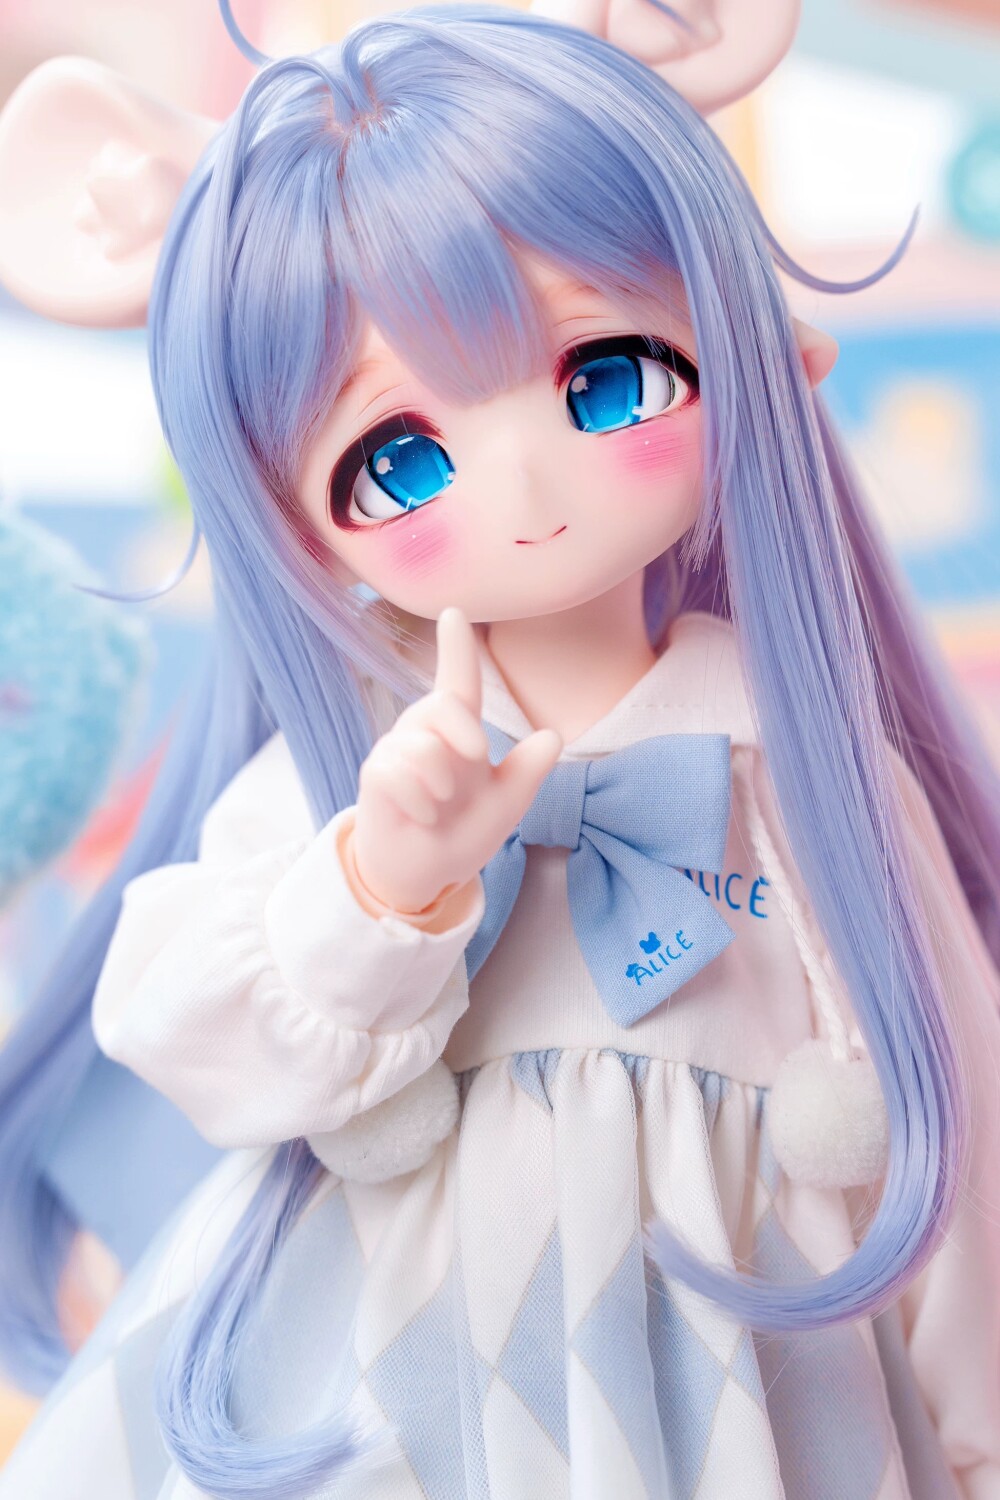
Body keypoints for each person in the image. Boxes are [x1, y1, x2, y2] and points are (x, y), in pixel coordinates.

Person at [0, 4, 998, 1496]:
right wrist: (379, 886)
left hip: (743, 1376)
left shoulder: (801, 773)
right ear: (278, 511)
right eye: (396, 458)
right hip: (390, 1382)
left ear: (770, 353)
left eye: (611, 378)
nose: (527, 486)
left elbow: (961, 1117)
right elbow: (194, 1036)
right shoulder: (351, 778)